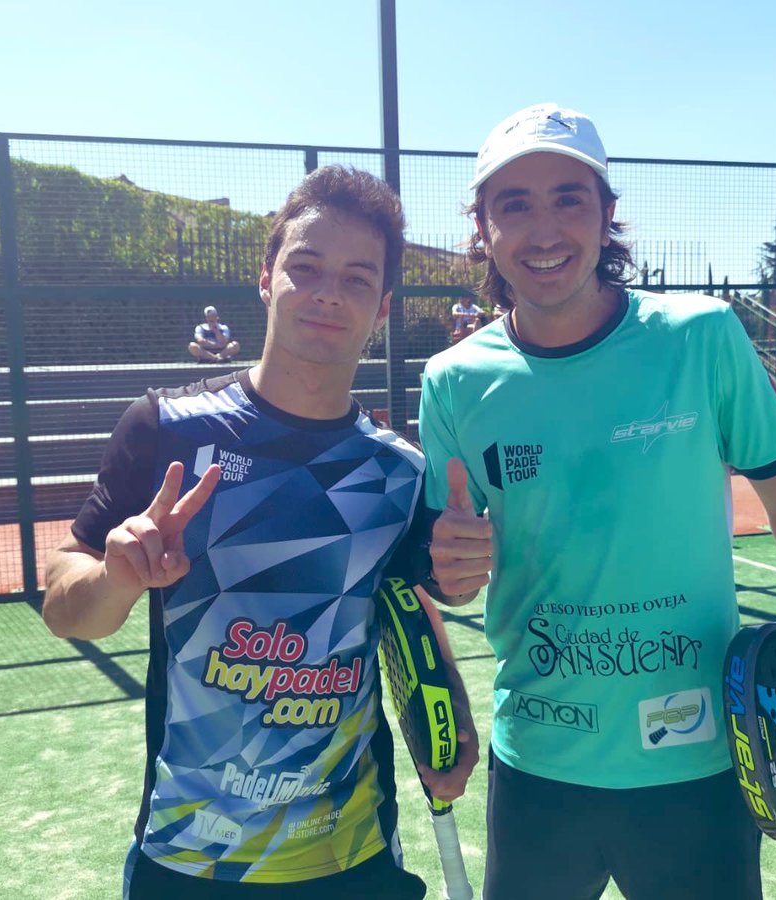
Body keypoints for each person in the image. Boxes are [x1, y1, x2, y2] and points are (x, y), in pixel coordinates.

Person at [417, 103, 776, 900]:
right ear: (483, 229)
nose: (545, 230)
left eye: (570, 198)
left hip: (700, 769)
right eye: (515, 204)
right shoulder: (454, 381)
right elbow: (452, 574)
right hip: (538, 765)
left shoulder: (701, 337)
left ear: (608, 216)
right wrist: (453, 571)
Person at [43, 166, 476, 900]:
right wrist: (116, 577)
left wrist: (451, 713)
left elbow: (402, 600)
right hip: (189, 860)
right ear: (267, 279)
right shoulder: (164, 428)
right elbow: (63, 606)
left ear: (382, 306)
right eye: (305, 268)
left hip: (348, 857)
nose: (328, 293)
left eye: (356, 278)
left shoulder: (398, 470)